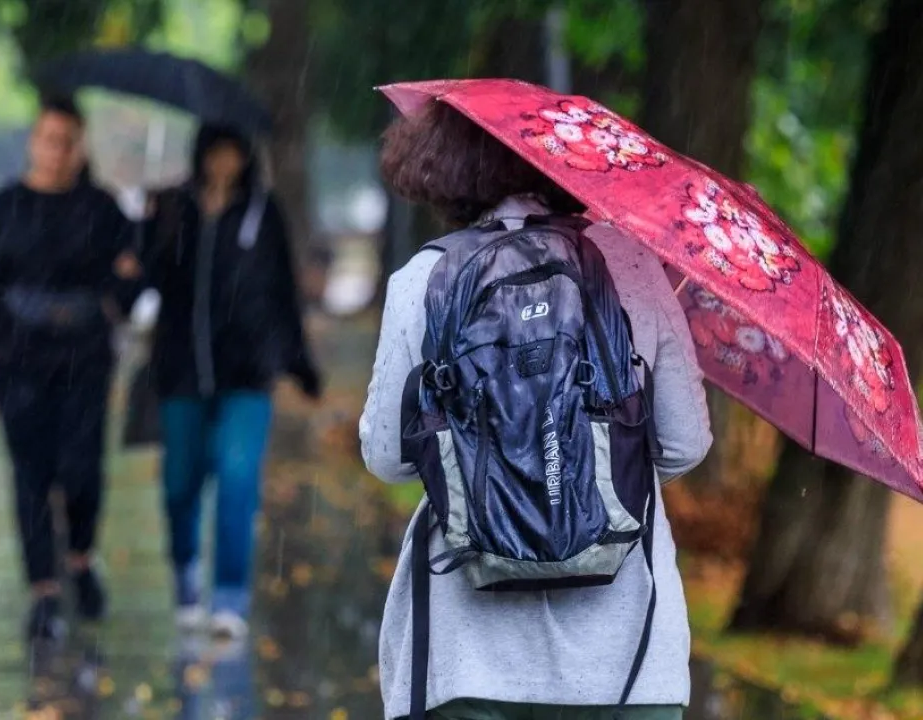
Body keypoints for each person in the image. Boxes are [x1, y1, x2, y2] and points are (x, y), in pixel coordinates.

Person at [359, 103, 712, 719]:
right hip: (626, 664)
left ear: (443, 165)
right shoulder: (630, 266)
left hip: (466, 658)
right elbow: (684, 443)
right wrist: (595, 475)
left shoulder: (424, 278)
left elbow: (388, 456)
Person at [0, 97, 139, 641]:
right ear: (34, 142)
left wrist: (111, 299)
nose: (55, 151)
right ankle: (43, 592)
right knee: (30, 475)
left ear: (79, 148)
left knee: (80, 470)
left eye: (66, 141)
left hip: (83, 360)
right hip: (17, 364)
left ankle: (78, 557)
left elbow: (134, 268)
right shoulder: (3, 208)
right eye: (47, 139)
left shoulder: (101, 209)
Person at [142, 124, 322, 640]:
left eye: (234, 152)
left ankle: (229, 595)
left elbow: (284, 291)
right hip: (181, 371)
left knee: (238, 478)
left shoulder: (264, 213)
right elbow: (149, 279)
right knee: (179, 483)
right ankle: (184, 571)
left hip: (247, 373)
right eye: (216, 152)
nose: (224, 163)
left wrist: (299, 363)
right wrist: (155, 228)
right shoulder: (174, 206)